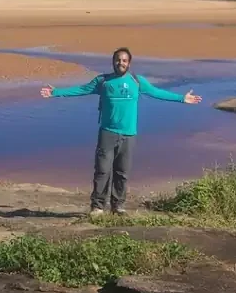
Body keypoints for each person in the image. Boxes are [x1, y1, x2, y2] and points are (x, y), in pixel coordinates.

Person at [40, 47, 201, 218]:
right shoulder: (103, 81)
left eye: (124, 60)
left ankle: (118, 206)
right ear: (113, 62)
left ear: (129, 63)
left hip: (129, 135)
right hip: (107, 133)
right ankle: (98, 207)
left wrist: (182, 98)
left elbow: (157, 93)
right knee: (102, 171)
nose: (121, 63)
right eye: (118, 60)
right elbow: (81, 89)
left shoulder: (137, 81)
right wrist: (56, 92)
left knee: (122, 172)